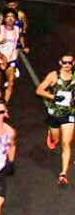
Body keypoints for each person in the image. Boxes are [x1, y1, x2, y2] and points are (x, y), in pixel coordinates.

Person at [35, 53, 75, 185]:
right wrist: (53, 97)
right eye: (65, 62)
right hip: (54, 114)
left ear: (73, 64)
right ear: (60, 63)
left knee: (66, 143)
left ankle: (63, 173)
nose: (67, 65)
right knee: (56, 140)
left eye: (70, 63)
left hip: (69, 114)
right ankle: (51, 136)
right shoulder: (54, 76)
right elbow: (39, 90)